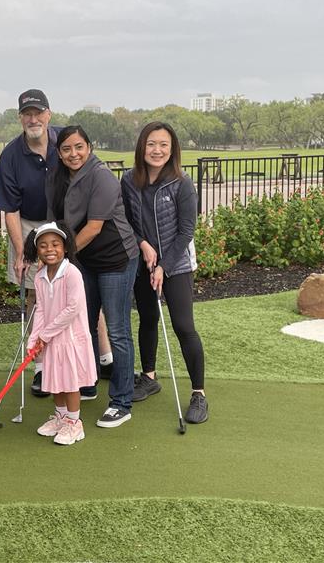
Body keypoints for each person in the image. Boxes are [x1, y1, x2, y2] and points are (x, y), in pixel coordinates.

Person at [46, 125, 139, 429]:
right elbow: (56, 222)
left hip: (115, 260)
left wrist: (60, 257)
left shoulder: (101, 176)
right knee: (81, 327)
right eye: (66, 149)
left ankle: (121, 402)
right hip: (83, 261)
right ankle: (86, 383)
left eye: (79, 147)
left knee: (117, 330)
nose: (73, 154)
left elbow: (94, 227)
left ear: (89, 146)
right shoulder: (59, 177)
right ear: (59, 153)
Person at [121, 121, 208, 424]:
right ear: (142, 147)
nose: (157, 151)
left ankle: (198, 394)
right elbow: (127, 220)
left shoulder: (182, 183)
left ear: (172, 150)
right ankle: (149, 377)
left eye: (163, 145)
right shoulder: (129, 180)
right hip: (144, 261)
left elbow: (186, 231)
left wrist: (164, 266)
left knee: (184, 326)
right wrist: (143, 244)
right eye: (151, 144)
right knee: (147, 319)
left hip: (177, 264)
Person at [0, 89, 60, 397]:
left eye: (38, 113)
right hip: (28, 226)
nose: (33, 119)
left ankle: (100, 358)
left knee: (76, 290)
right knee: (37, 297)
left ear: (48, 114)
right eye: (26, 114)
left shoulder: (65, 142)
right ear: (21, 118)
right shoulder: (10, 154)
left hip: (64, 224)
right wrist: (22, 252)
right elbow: (10, 209)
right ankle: (40, 365)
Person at [24, 221, 97, 446]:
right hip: (51, 339)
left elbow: (72, 309)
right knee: (54, 379)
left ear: (65, 247)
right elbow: (42, 309)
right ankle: (61, 417)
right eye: (44, 245)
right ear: (37, 250)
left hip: (71, 339)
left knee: (70, 382)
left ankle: (75, 424)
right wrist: (34, 338)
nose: (50, 249)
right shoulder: (40, 276)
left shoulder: (72, 273)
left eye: (55, 244)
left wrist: (45, 335)